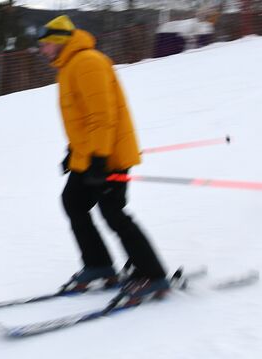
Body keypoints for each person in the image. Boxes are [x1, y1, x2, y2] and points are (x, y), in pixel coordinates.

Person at [37, 15, 169, 300]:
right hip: (91, 155)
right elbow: (83, 119)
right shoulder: (71, 66)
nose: (43, 49)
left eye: (46, 44)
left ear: (60, 42)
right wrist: (73, 152)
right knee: (73, 202)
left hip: (109, 157)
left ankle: (153, 275)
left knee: (113, 212)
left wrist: (98, 159)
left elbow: (102, 116)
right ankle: (98, 265)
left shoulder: (87, 62)